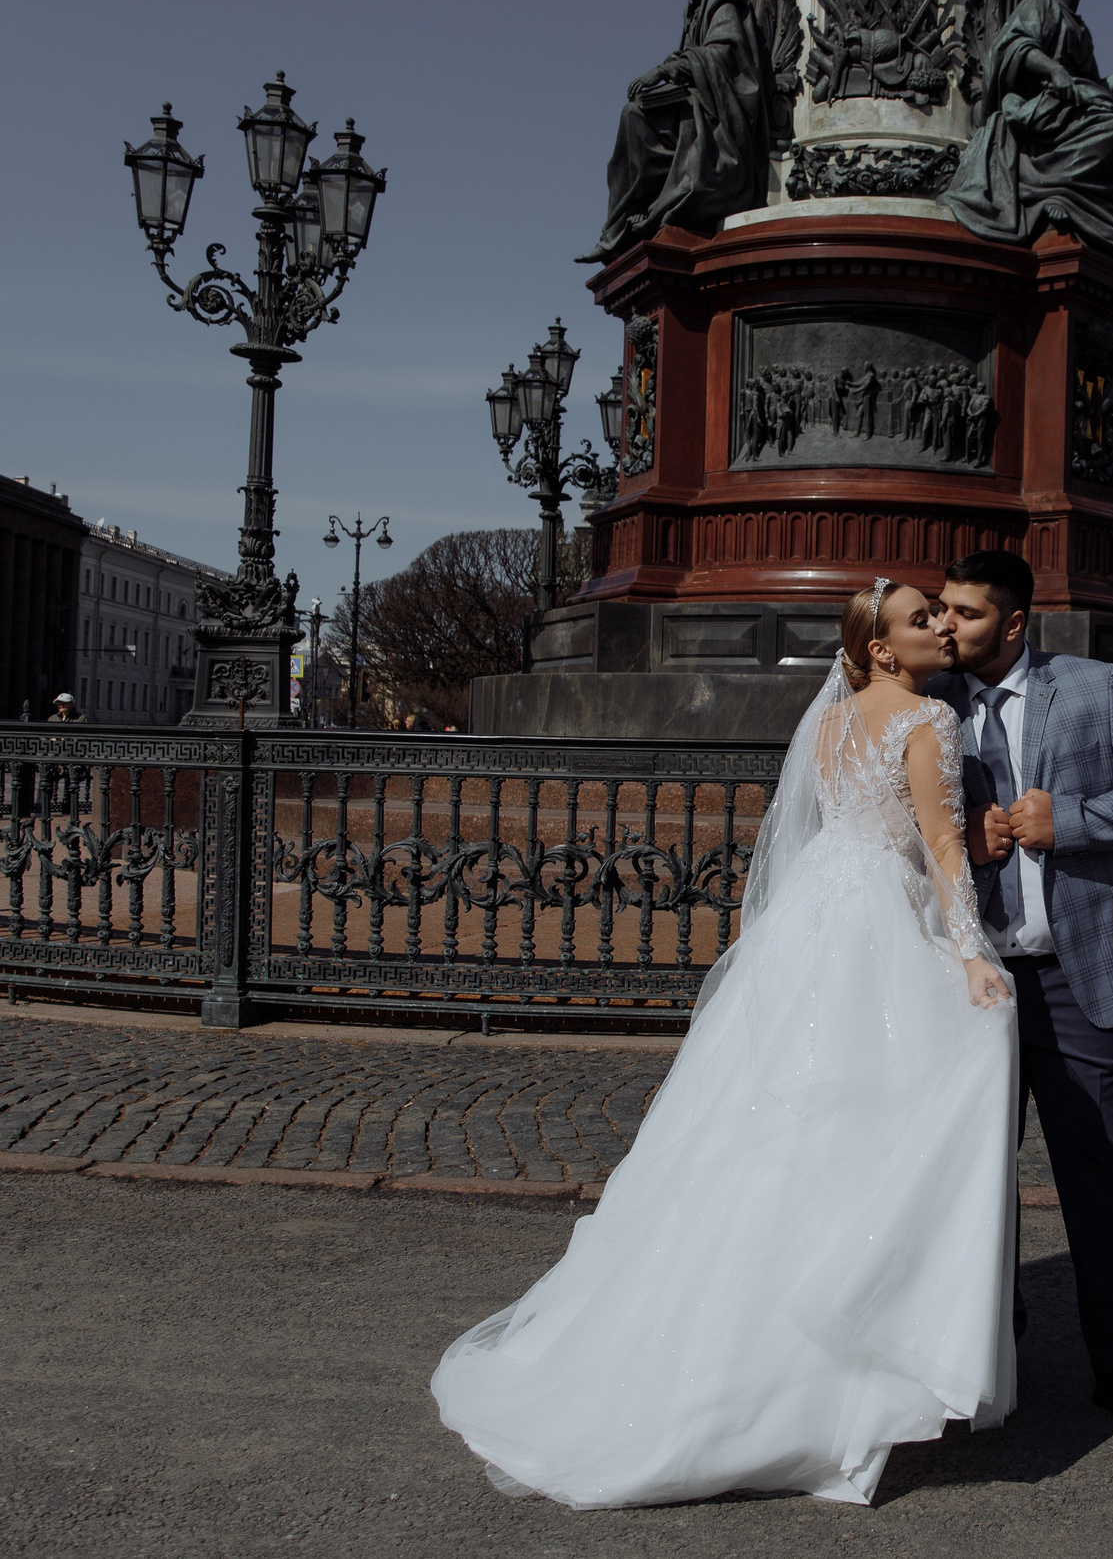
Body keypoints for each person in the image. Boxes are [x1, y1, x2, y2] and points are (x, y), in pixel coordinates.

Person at [432, 580, 1018, 1508]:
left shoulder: (829, 722)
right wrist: (974, 954)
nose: (941, 629)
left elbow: (823, 827)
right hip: (875, 921)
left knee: (761, 1124)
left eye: (940, 616)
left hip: (814, 916)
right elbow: (942, 847)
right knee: (872, 1122)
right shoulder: (928, 719)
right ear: (880, 649)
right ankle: (847, 1347)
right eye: (921, 620)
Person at [928, 550, 1113, 1442]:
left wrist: (1072, 822)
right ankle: (986, 1356)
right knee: (972, 1175)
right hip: (965, 981)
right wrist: (957, 839)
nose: (946, 625)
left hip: (1078, 975)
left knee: (1101, 1169)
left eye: (967, 613)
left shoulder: (1091, 686)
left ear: (1013, 624)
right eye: (941, 608)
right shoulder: (924, 702)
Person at [940, 0, 1113, 278]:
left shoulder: (1081, 31)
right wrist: (1053, 70)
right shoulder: (1039, 3)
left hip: (1068, 112)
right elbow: (1015, 45)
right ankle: (1053, 194)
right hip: (1037, 107)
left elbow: (1097, 87)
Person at [577, 0, 769, 265]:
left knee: (646, 119)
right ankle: (618, 227)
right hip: (699, 98)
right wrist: (673, 67)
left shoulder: (725, 8)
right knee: (633, 114)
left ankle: (641, 217)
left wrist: (666, 70)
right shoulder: (694, 14)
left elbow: (722, 57)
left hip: (718, 112)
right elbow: (697, 59)